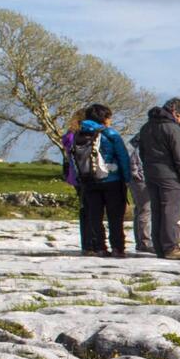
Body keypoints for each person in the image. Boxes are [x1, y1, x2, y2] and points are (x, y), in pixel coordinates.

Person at [68, 105, 134, 258]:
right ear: (104, 118)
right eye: (109, 117)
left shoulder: (78, 134)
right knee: (115, 217)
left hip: (89, 180)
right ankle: (117, 247)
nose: (110, 120)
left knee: (95, 217)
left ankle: (100, 247)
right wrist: (127, 178)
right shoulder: (110, 134)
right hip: (112, 180)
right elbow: (123, 157)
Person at [135, 98, 180, 259]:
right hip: (171, 175)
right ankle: (171, 247)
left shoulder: (146, 127)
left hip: (151, 173)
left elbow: (142, 152)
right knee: (170, 212)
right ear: (175, 112)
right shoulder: (173, 129)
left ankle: (160, 247)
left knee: (157, 211)